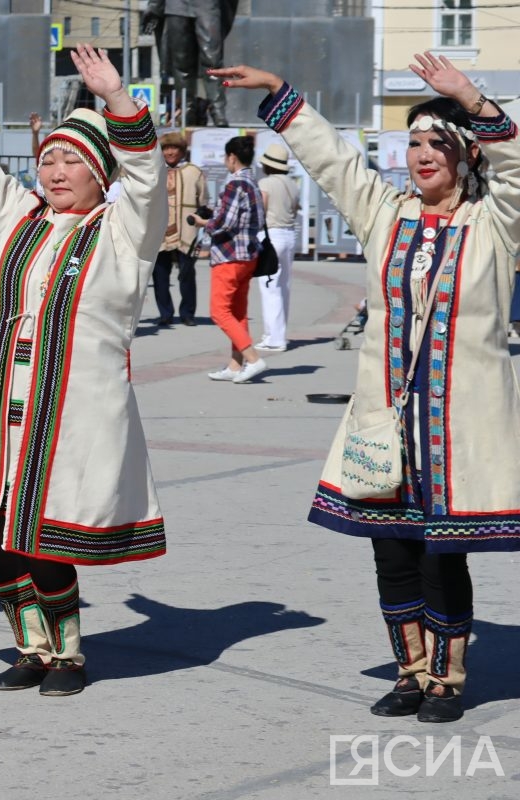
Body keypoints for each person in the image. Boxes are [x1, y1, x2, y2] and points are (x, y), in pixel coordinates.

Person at [216, 53, 520, 723]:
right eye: (413, 142)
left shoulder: (495, 222)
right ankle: (410, 671)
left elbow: (517, 168)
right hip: (385, 426)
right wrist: (276, 89)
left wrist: (469, 96)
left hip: (457, 430)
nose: (422, 154)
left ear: (468, 155)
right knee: (392, 552)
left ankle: (447, 677)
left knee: (443, 557)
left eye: (438, 141)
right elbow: (333, 162)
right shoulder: (387, 215)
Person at [0, 33, 169, 697]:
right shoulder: (21, 217)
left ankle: (69, 655)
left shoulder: (125, 231)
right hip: (2, 403)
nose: (54, 173)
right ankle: (30, 647)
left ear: (99, 174)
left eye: (70, 162)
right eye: (48, 160)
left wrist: (116, 100)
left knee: (48, 537)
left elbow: (148, 177)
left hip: (75, 404)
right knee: (1, 534)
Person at [200, 135, 267, 384]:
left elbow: (224, 223)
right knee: (237, 312)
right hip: (248, 255)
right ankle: (235, 365)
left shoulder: (234, 185)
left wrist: (204, 223)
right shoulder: (254, 184)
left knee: (219, 311)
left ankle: (253, 359)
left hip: (229, 255)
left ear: (232, 157)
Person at [152, 130, 207, 326]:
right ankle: (165, 313)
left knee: (187, 275)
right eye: (166, 148)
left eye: (174, 147)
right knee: (160, 275)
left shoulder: (194, 172)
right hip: (159, 231)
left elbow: (203, 201)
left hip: (186, 231)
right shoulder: (153, 170)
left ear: (182, 151)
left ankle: (187, 313)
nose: (170, 152)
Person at [255, 143, 300, 352]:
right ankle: (277, 334)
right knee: (284, 286)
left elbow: (261, 208)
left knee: (269, 286)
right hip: (290, 234)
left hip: (271, 234)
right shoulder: (292, 184)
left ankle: (274, 338)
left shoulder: (266, 182)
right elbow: (295, 208)